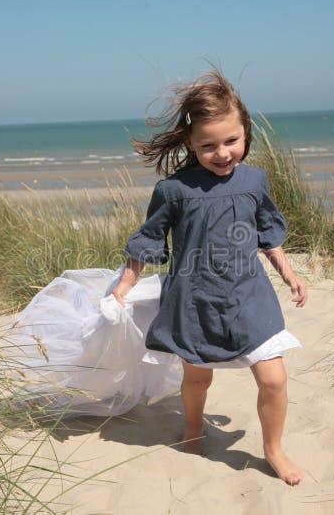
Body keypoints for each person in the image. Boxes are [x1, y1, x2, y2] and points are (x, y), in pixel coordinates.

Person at [110, 70, 307, 486]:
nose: (222, 154)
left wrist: (288, 272)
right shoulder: (174, 189)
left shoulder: (255, 180)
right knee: (197, 378)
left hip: (248, 295)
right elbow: (148, 239)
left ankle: (273, 449)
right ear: (189, 143)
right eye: (208, 145)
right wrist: (125, 285)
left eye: (231, 141)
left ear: (245, 132)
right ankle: (193, 429)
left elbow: (268, 231)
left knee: (273, 376)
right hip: (194, 299)